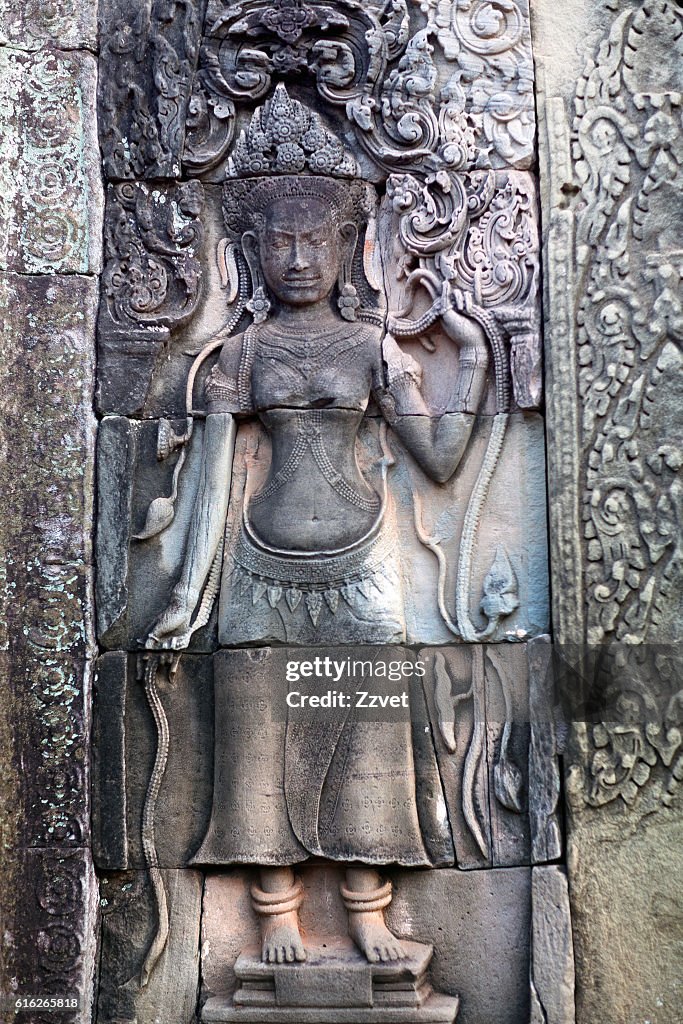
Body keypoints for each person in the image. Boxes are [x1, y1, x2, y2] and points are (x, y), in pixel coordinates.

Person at [146, 111, 489, 966]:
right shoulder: (240, 353)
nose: (297, 259)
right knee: (256, 739)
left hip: (362, 562)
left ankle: (368, 909)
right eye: (279, 244)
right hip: (261, 568)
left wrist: (475, 359)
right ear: (252, 256)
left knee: (370, 725)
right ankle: (275, 916)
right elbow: (207, 490)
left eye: (314, 241)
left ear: (348, 249)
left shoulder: (373, 347)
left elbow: (440, 457)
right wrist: (184, 598)